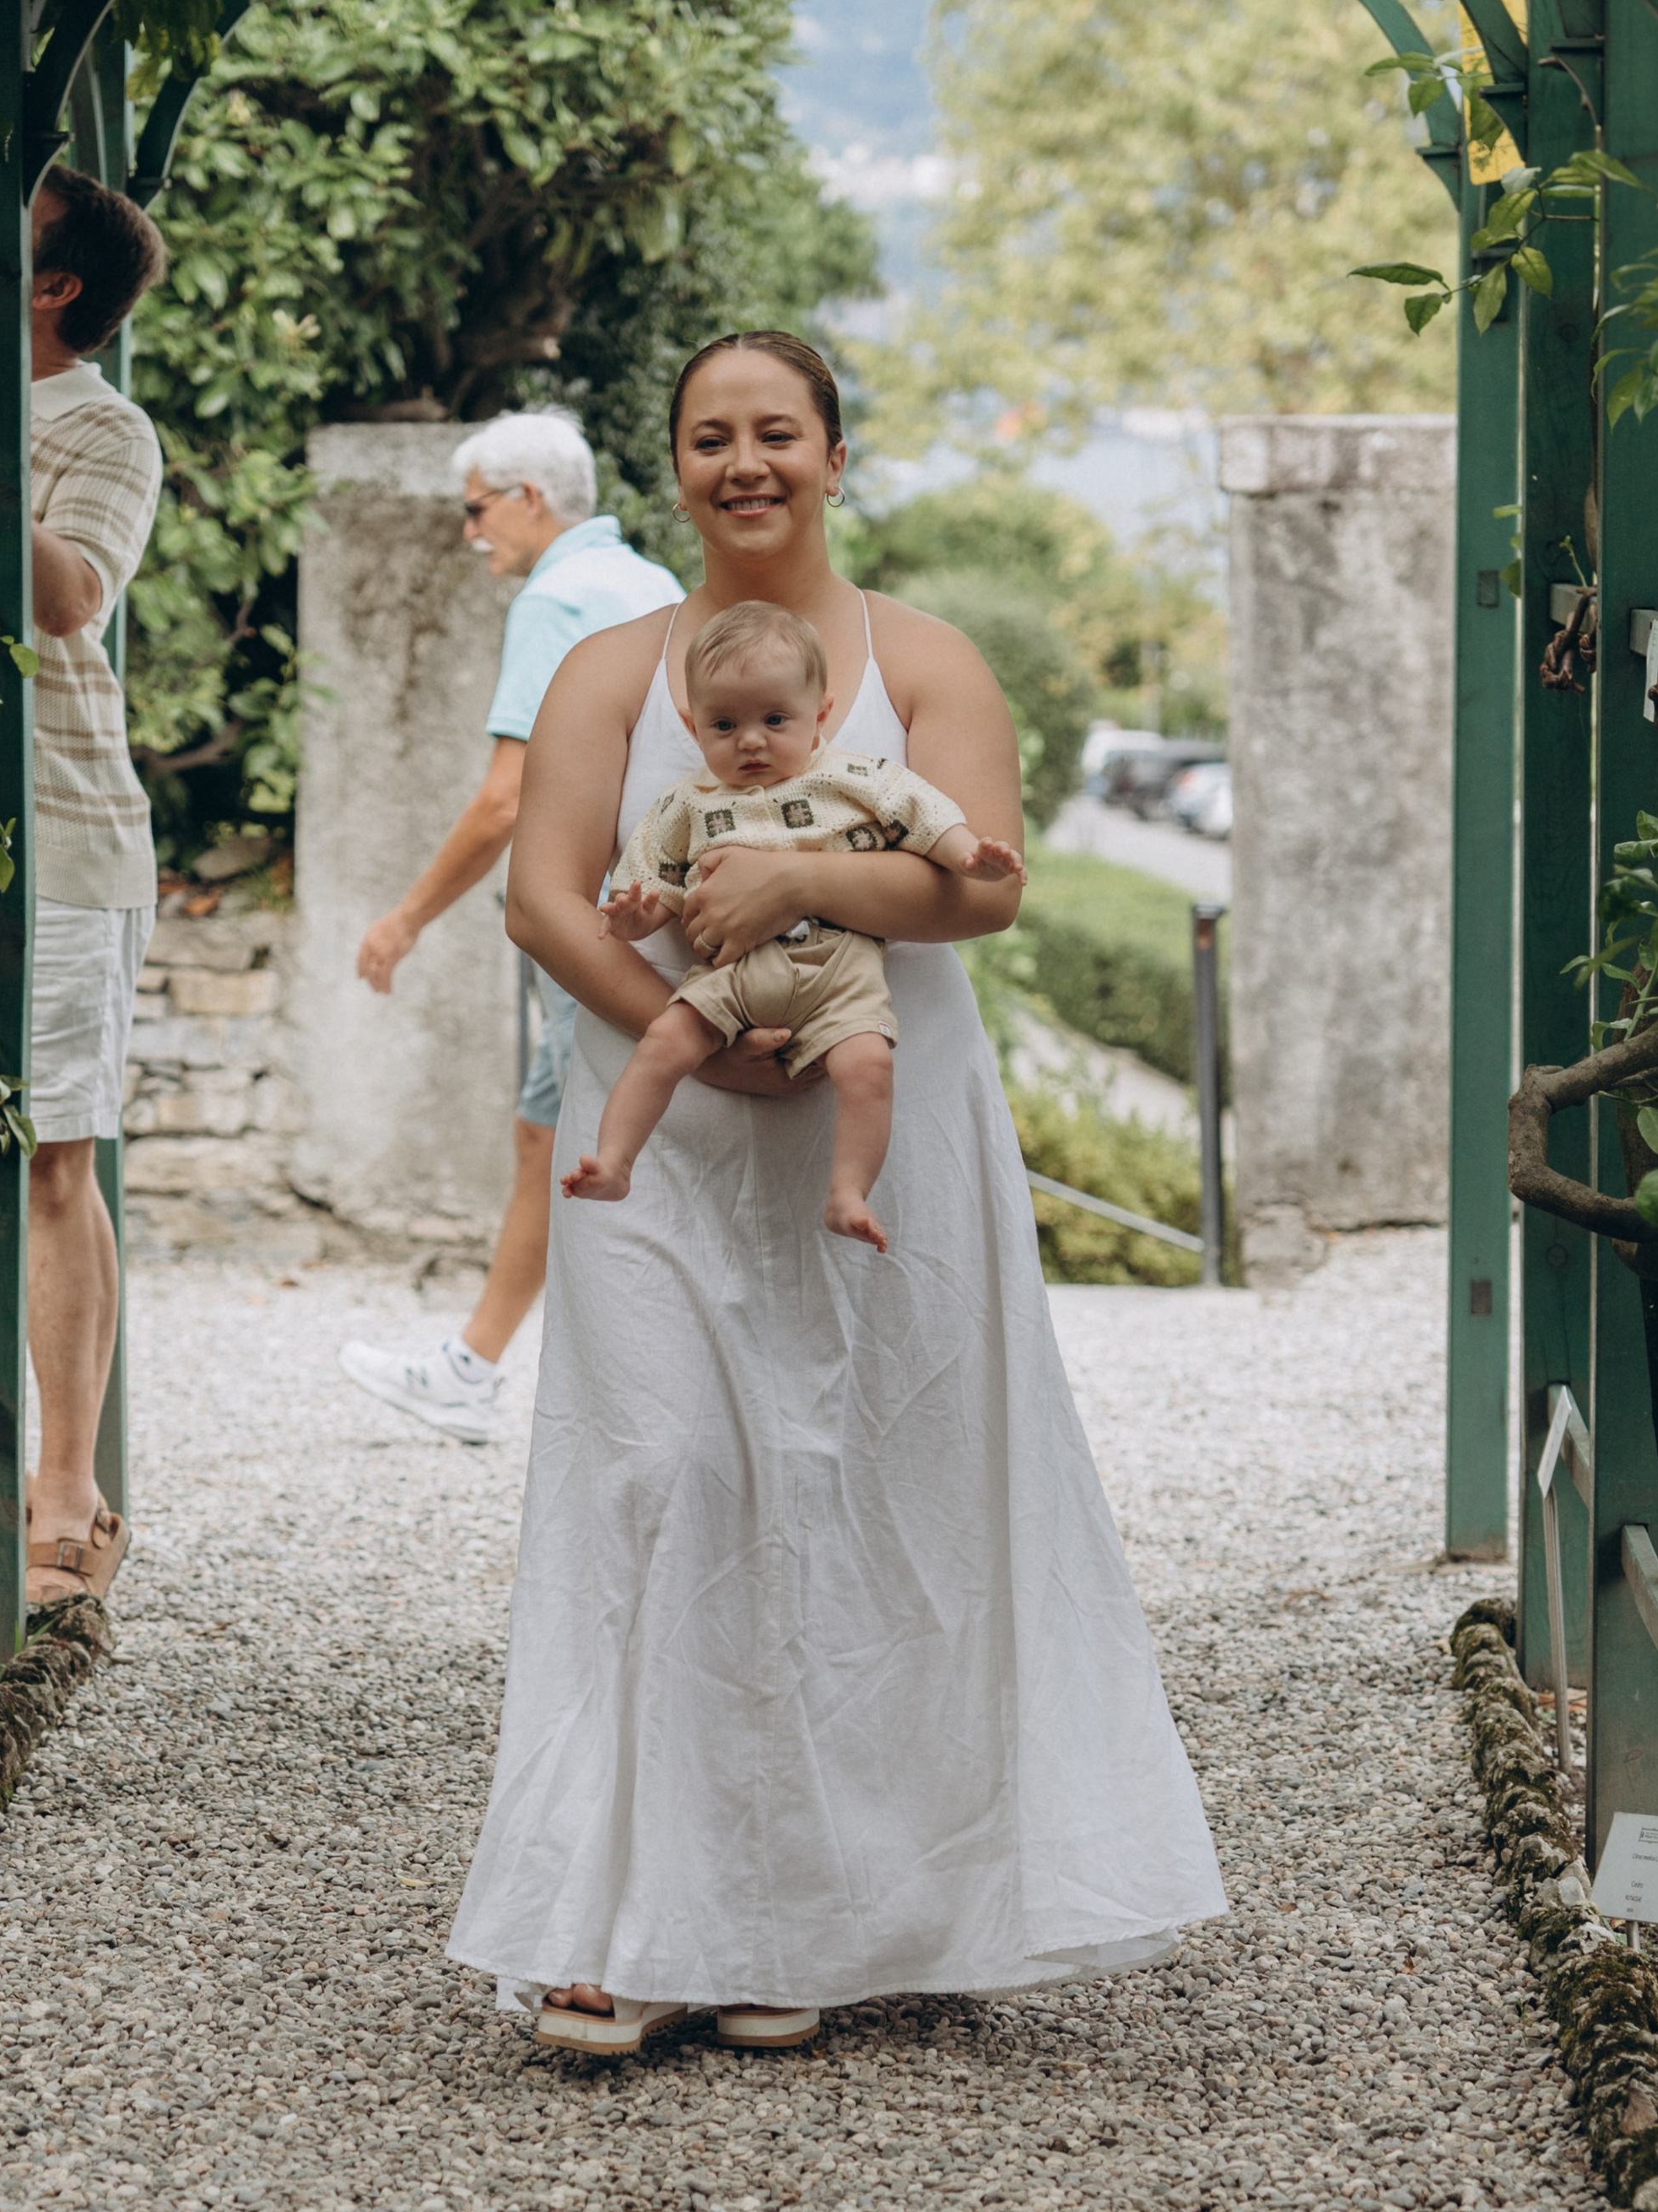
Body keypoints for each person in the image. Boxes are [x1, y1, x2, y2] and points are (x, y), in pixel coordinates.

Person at [445, 330, 1226, 2054]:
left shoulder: (924, 663)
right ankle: (616, 1919)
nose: (746, 462)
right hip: (656, 1130)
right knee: (661, 1473)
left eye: (776, 432)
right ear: (673, 467)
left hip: (880, 1128)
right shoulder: (609, 671)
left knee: (865, 1488)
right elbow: (541, 895)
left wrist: (804, 870)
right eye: (710, 436)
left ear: (832, 455)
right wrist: (684, 1037)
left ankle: (799, 1921)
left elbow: (983, 889)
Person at [0, 169, 169, 1608]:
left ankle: (72, 1488)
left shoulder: (102, 427)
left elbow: (68, 596)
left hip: (61, 832)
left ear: (55, 283)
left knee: (54, 1156)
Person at [338, 409, 681, 1443]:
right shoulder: (649, 584)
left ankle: (635, 1400)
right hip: (650, 914)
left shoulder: (560, 597)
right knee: (547, 1132)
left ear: (530, 500)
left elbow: (506, 799)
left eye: (476, 509)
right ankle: (472, 1369)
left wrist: (404, 920)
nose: (468, 532)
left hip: (591, 928)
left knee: (608, 1154)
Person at [565, 601, 1021, 1251]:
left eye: (775, 720)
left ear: (820, 716)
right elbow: (654, 882)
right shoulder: (686, 804)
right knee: (665, 1041)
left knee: (867, 1066)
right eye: (725, 724)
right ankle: (612, 1161)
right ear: (694, 727)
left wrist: (967, 855)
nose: (751, 740)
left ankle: (848, 1192)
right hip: (735, 971)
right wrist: (635, 915)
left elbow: (920, 813)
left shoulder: (852, 777)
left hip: (841, 968)